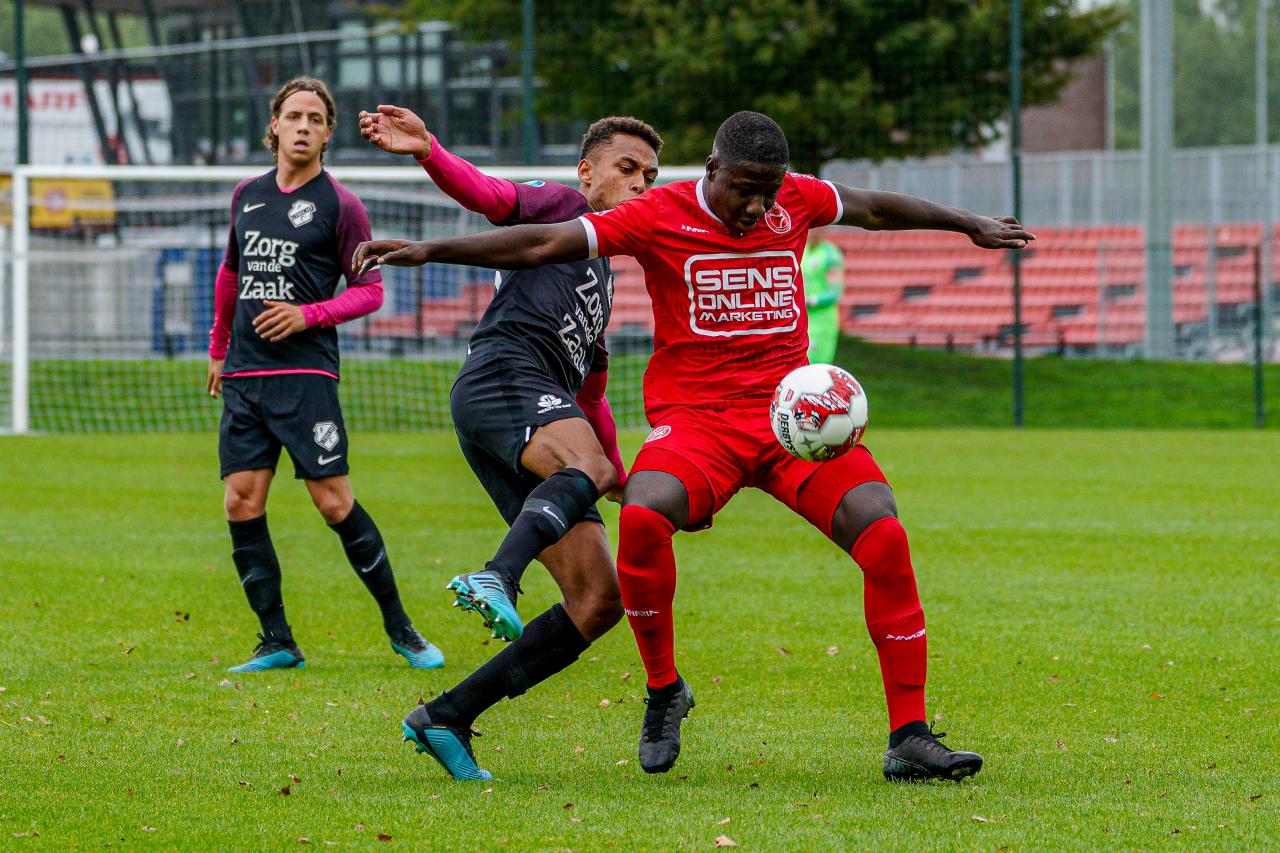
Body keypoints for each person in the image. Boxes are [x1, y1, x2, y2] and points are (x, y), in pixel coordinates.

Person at [354, 111, 1033, 782]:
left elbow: (874, 208)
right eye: (744, 189)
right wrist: (428, 249)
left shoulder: (794, 200)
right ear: (712, 171)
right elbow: (538, 242)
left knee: (884, 533)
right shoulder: (657, 214)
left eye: (770, 191)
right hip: (698, 422)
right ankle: (662, 689)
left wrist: (966, 222)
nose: (758, 206)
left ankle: (909, 736)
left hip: (786, 417)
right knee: (645, 516)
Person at [357, 103, 663, 780]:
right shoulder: (556, 204)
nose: (641, 182)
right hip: (504, 373)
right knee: (585, 462)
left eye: (650, 173)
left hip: (538, 403)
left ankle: (448, 715)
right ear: (587, 173)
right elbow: (492, 196)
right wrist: (429, 150)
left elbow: (593, 399)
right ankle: (499, 573)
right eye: (626, 167)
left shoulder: (602, 275)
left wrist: (623, 480)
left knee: (598, 598)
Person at [207, 78, 442, 673]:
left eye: (316, 117)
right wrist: (218, 348)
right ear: (276, 126)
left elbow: (370, 291)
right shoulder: (246, 196)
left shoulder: (342, 206)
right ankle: (277, 641)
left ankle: (403, 630)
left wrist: (309, 313)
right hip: (244, 376)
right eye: (294, 116)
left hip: (306, 375)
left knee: (333, 502)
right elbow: (231, 275)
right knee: (240, 500)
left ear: (328, 133)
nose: (304, 125)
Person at [801, 228, 846, 364]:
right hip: (802, 319)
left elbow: (835, 293)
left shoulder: (831, 255)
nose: (812, 232)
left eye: (816, 228)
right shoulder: (802, 250)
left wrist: (812, 300)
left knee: (813, 363)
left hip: (821, 321)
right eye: (810, 228)